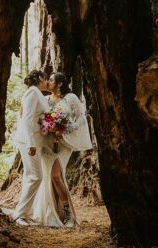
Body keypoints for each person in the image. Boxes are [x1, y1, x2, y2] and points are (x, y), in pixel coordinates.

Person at [32, 72, 92, 227]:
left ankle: (67, 212)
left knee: (56, 176)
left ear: (59, 84)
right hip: (48, 143)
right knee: (50, 178)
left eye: (51, 80)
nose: (48, 82)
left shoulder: (71, 98)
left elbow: (81, 116)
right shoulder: (45, 99)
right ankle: (53, 214)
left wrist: (70, 127)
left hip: (64, 144)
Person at [12, 69, 49, 225]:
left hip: (36, 140)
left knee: (30, 176)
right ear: (40, 78)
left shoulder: (38, 93)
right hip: (29, 141)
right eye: (46, 78)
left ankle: (23, 214)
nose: (48, 82)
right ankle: (20, 215)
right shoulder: (32, 92)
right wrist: (31, 143)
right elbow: (26, 119)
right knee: (36, 177)